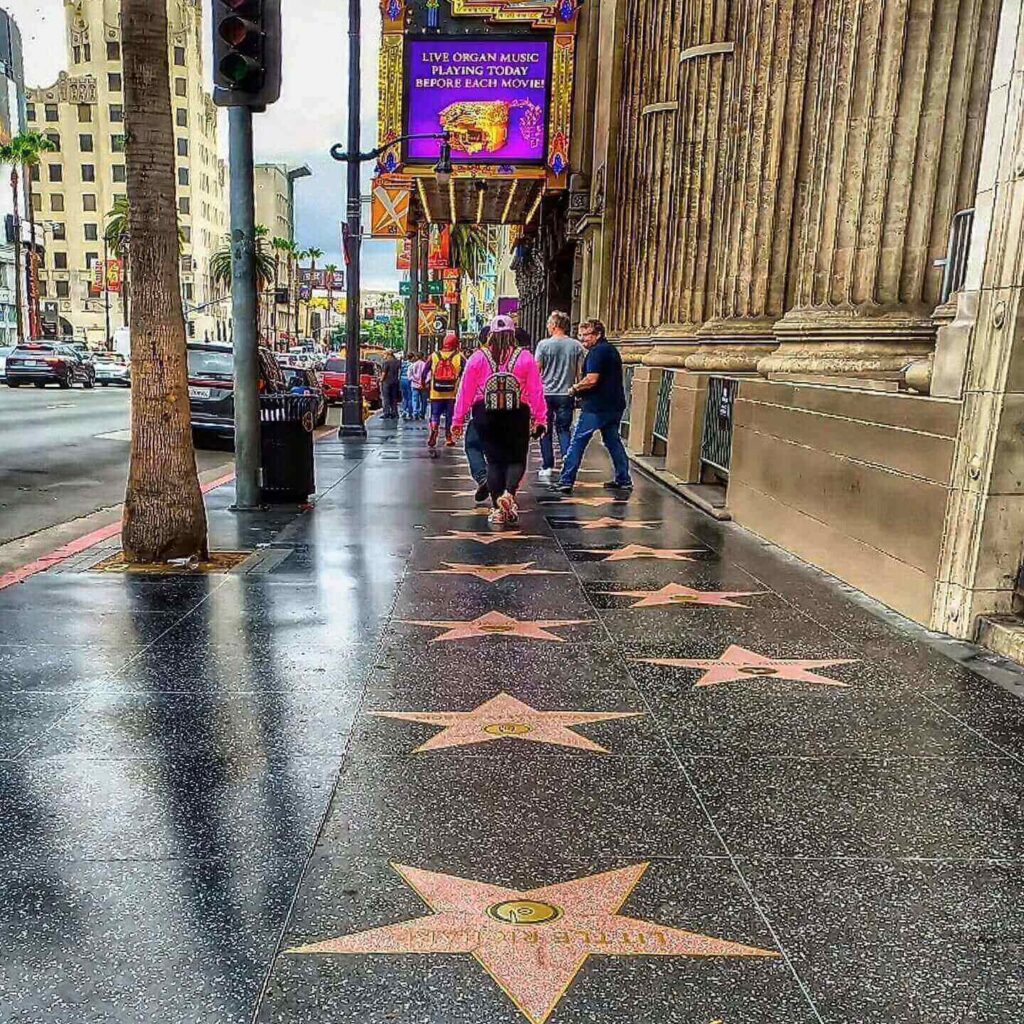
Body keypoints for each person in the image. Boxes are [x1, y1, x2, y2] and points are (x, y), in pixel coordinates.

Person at [453, 315, 546, 525]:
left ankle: (497, 508)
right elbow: (536, 390)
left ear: (490, 335)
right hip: (517, 413)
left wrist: (457, 420)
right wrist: (540, 418)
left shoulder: (478, 357)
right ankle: (509, 494)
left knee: (494, 461)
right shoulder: (525, 357)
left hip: (485, 413)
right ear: (513, 334)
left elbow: (465, 391)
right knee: (515, 459)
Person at [555, 318, 633, 494]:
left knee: (578, 441)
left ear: (598, 334)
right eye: (580, 336)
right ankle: (624, 479)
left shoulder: (597, 352)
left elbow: (592, 379)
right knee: (613, 441)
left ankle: (566, 480)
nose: (583, 340)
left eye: (586, 336)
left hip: (597, 406)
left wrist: (574, 388)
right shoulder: (610, 350)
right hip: (614, 404)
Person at [534, 311, 584, 483]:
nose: (548, 327)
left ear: (555, 325)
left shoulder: (543, 345)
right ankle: (566, 461)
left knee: (544, 430)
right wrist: (578, 390)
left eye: (549, 323)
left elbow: (537, 370)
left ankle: (547, 465)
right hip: (566, 393)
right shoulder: (576, 346)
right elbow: (580, 373)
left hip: (545, 394)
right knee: (564, 429)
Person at [428, 333, 465, 448]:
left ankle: (434, 429)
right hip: (452, 393)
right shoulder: (459, 356)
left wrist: (424, 383)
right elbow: (468, 370)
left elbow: (424, 371)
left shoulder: (434, 355)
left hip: (436, 392)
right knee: (450, 416)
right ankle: (448, 437)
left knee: (435, 414)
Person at [380, 350, 401, 419]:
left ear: (388, 355)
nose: (383, 356)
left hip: (387, 382)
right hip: (395, 382)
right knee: (394, 398)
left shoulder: (386, 362)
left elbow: (384, 373)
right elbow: (400, 372)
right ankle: (394, 413)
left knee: (386, 398)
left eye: (384, 355)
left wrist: (381, 380)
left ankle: (386, 413)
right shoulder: (397, 362)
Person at [409, 353, 428, 419]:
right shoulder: (426, 365)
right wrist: (423, 383)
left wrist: (415, 381)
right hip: (424, 385)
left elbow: (409, 376)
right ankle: (422, 413)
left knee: (415, 399)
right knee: (424, 400)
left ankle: (415, 413)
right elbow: (429, 375)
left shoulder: (412, 365)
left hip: (414, 385)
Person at [399, 352, 414, 420]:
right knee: (410, 397)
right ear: (412, 357)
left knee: (404, 397)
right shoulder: (412, 365)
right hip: (409, 380)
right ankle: (410, 412)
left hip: (402, 380)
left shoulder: (403, 364)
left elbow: (400, 372)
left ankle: (404, 410)